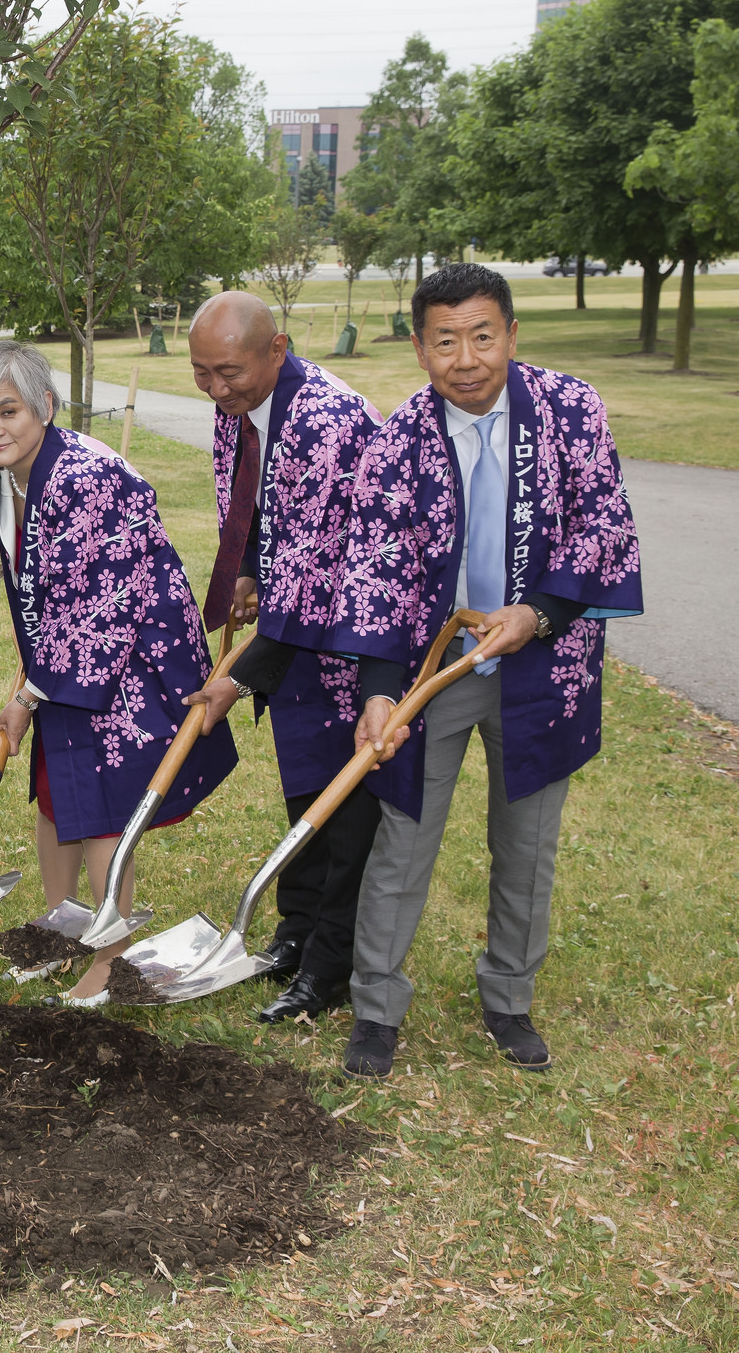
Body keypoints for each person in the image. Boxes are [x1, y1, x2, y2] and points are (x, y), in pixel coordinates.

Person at [326, 264, 642, 1079]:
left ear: (509, 334)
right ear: (420, 347)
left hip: (543, 661)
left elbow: (603, 524)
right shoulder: (398, 438)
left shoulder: (570, 409)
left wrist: (536, 612)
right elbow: (374, 567)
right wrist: (380, 690)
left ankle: (508, 996)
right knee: (403, 835)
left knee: (527, 842)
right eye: (444, 341)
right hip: (438, 665)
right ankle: (375, 1006)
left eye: (482, 335)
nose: (466, 358)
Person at [0, 342, 238, 1004]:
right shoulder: (12, 472)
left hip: (132, 659)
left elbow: (100, 614)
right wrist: (28, 681)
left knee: (103, 808)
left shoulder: (86, 478)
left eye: (8, 410)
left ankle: (111, 959)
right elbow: (47, 593)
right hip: (68, 655)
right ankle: (61, 933)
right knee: (58, 795)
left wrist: (31, 693)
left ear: (46, 406)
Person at [182, 292, 383, 1024]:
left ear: (279, 348)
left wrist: (235, 679)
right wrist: (245, 571)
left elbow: (318, 574)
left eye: (229, 371)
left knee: (345, 798)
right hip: (299, 616)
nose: (216, 388)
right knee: (305, 782)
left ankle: (332, 964)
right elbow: (263, 515)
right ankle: (296, 932)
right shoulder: (240, 405)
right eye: (202, 373)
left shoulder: (325, 423)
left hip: (357, 634)